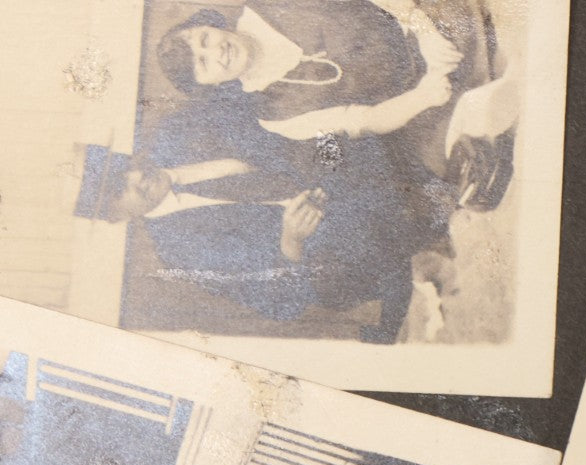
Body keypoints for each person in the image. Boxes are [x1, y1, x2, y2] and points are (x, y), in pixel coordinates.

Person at [154, 0, 517, 209]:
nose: (216, 51)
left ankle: (482, 89)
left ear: (212, 25)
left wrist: (422, 29)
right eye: (204, 64)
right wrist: (421, 96)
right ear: (211, 84)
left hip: (415, 21)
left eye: (204, 38)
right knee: (450, 169)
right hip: (415, 93)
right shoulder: (274, 117)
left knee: (458, 23)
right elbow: (365, 119)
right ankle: (480, 99)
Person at [74, 143, 429, 342]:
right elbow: (276, 303)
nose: (137, 177)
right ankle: (434, 209)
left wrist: (315, 169)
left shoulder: (181, 135)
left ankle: (433, 198)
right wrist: (292, 240)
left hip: (329, 179)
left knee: (338, 139)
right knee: (357, 230)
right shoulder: (178, 249)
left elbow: (279, 133)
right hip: (323, 252)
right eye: (120, 190)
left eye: (125, 167)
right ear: (118, 217)